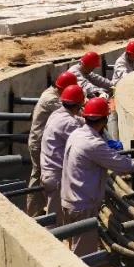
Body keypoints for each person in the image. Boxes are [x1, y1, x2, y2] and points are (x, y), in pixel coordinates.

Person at [61, 97, 134, 256]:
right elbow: (119, 163)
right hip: (83, 204)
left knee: (71, 244)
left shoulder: (77, 133)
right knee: (83, 254)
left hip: (68, 198)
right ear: (104, 120)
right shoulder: (93, 144)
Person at [25, 71, 79, 216]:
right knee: (40, 175)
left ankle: (39, 210)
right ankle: (33, 212)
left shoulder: (52, 93)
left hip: (42, 141)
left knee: (42, 176)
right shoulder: (52, 99)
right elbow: (72, 111)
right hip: (39, 143)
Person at [40, 84, 86, 226]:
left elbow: (78, 121)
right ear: (79, 104)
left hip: (48, 173)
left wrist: (86, 118)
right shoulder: (69, 123)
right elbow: (85, 143)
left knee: (56, 217)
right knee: (55, 223)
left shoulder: (57, 114)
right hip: (57, 177)